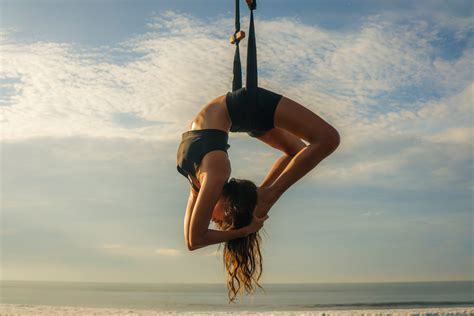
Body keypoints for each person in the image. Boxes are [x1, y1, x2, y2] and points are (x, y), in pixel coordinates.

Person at [176, 86, 340, 302]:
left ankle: (267, 196)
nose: (215, 222)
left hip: (241, 113)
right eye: (224, 222)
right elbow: (195, 238)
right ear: (229, 205)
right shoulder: (213, 174)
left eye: (219, 225)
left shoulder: (206, 179)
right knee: (328, 139)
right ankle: (266, 196)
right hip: (246, 107)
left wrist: (242, 231)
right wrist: (244, 227)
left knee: (309, 147)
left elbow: (193, 240)